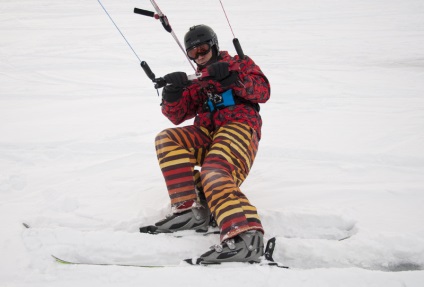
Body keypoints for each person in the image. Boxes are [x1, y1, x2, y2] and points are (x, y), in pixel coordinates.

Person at [150, 24, 270, 263]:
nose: (199, 55)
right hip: (207, 133)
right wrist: (172, 94)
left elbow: (262, 92)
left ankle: (245, 236)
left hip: (239, 127)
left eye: (202, 49)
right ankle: (189, 210)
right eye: (193, 53)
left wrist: (233, 78)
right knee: (167, 139)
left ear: (213, 46)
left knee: (214, 171)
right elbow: (177, 114)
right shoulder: (198, 80)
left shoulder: (239, 64)